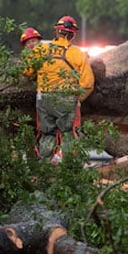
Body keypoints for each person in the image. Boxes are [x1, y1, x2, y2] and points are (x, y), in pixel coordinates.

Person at [23, 15, 95, 163]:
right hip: (67, 99)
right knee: (69, 133)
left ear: (57, 31)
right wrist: (78, 99)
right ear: (73, 34)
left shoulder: (41, 49)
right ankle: (68, 168)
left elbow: (27, 70)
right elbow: (87, 83)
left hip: (43, 98)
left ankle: (44, 168)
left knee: (47, 134)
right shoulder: (78, 54)